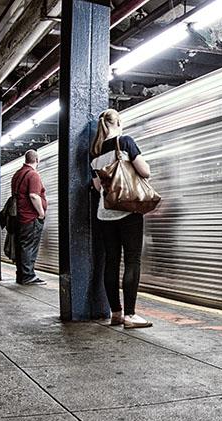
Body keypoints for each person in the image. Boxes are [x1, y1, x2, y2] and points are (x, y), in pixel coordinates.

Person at [90, 109, 152, 329]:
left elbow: (97, 186)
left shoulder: (95, 151)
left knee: (111, 262)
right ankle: (131, 315)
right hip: (128, 210)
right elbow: (144, 172)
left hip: (104, 213)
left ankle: (116, 313)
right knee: (132, 260)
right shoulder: (125, 142)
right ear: (117, 122)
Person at [11, 150, 47, 285]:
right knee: (29, 246)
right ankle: (28, 276)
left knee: (22, 246)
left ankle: (21, 274)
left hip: (19, 216)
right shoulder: (33, 175)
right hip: (30, 217)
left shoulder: (17, 174)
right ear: (37, 160)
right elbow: (34, 195)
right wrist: (41, 213)